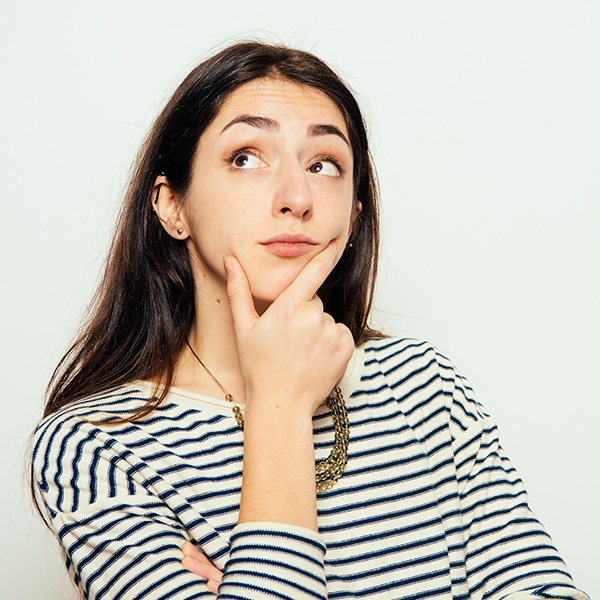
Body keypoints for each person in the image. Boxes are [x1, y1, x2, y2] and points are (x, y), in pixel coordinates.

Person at [31, 41, 589, 600]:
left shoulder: (422, 384)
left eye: (324, 165)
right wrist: (280, 404)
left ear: (354, 213)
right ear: (172, 205)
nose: (296, 197)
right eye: (246, 157)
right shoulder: (93, 447)